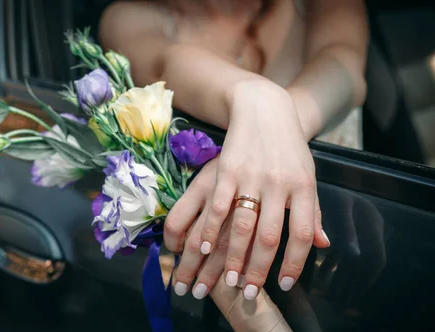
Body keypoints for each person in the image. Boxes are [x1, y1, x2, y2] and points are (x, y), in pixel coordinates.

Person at [99, 0, 368, 301]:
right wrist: (257, 99)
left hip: (334, 251)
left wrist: (273, 120)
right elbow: (165, 63)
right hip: (216, 288)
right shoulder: (131, 18)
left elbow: (343, 63)